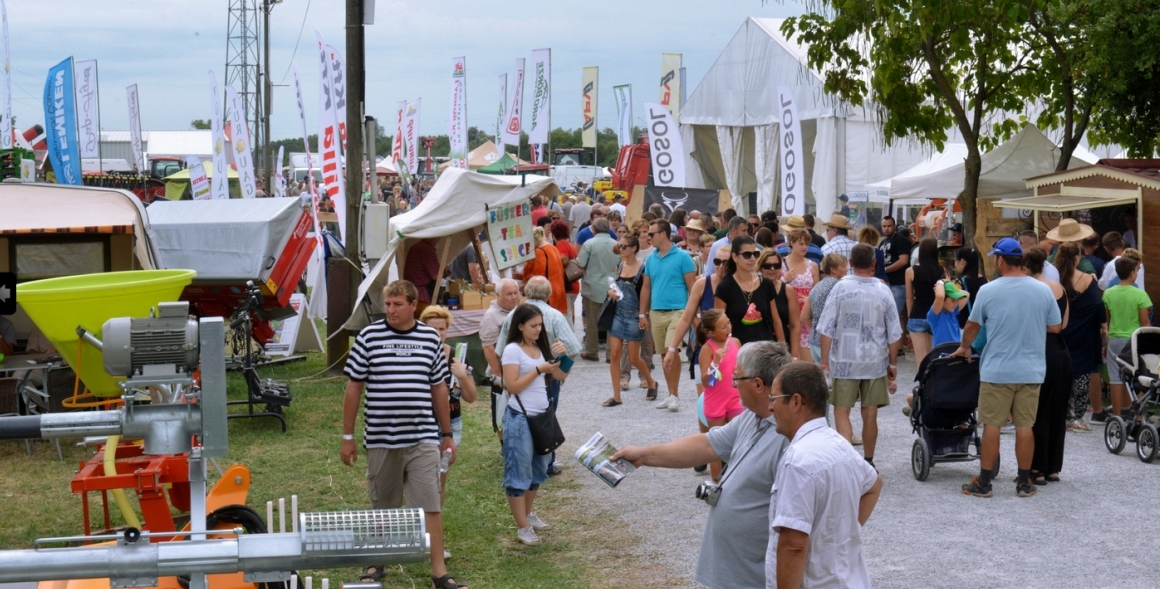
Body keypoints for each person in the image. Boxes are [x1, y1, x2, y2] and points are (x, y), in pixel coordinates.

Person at [611, 342, 793, 589]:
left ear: (758, 384)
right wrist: (643, 455)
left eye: (736, 378)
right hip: (736, 573)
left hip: (758, 578)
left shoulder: (790, 437)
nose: (732, 384)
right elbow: (708, 445)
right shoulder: (753, 416)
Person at [340, 280, 467, 589]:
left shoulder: (429, 339)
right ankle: (375, 563)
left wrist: (446, 433)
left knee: (431, 504)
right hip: (382, 438)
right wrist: (348, 436)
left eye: (397, 304)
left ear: (413, 306)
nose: (391, 310)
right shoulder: (369, 336)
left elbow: (439, 386)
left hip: (423, 437)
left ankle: (439, 572)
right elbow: (354, 386)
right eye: (388, 304)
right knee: (382, 504)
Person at [953, 237, 1062, 499]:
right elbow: (1055, 327)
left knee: (992, 425)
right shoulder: (1043, 290)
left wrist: (964, 347)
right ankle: (1024, 482)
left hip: (998, 369)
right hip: (1032, 369)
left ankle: (985, 482)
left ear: (1001, 260)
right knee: (1025, 425)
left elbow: (972, 325)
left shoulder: (989, 290)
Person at [768, 362, 883, 589]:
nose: (770, 407)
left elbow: (793, 545)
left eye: (774, 398)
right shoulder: (839, 444)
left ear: (796, 402)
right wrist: (842, 534)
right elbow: (874, 484)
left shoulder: (798, 461)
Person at [817, 243, 902, 468]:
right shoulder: (883, 290)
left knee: (842, 410)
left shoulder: (840, 289)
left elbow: (826, 328)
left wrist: (824, 361)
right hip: (874, 360)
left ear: (851, 264)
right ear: (874, 263)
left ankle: (847, 462)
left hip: (844, 359)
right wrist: (892, 363)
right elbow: (894, 332)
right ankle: (869, 460)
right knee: (870, 412)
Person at [500, 304, 569, 546]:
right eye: (533, 326)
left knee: (539, 469)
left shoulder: (540, 347)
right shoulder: (512, 351)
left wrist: (563, 357)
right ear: (520, 326)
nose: (538, 329)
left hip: (542, 417)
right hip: (520, 418)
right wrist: (539, 369)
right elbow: (512, 386)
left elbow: (560, 377)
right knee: (518, 472)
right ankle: (522, 527)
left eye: (540, 325)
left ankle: (527, 514)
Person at [419, 305, 479, 521]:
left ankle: (433, 527)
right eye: (432, 329)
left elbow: (471, 397)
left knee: (440, 477)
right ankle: (421, 526)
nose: (437, 333)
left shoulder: (457, 356)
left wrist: (462, 375)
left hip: (451, 425)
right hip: (422, 424)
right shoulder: (417, 357)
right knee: (423, 479)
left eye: (442, 329)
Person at [1025, 247, 1072, 486]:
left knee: (1038, 411)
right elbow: (1063, 323)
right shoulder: (1060, 288)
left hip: (1040, 350)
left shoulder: (1031, 290)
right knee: (1057, 411)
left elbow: (1049, 325)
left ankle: (1037, 467)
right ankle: (1053, 467)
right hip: (1062, 353)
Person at [640, 219, 697, 411]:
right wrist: (643, 314)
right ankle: (672, 394)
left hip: (678, 311)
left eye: (651, 234)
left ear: (663, 234)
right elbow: (646, 288)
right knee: (665, 353)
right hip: (656, 311)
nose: (648, 237)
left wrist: (694, 314)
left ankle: (674, 395)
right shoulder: (650, 258)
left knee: (671, 350)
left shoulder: (683, 257)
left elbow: (692, 288)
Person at [604, 233, 658, 406]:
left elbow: (645, 294)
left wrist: (643, 315)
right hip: (618, 314)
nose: (620, 249)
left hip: (634, 315)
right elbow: (614, 288)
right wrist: (610, 292)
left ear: (634, 248)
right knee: (614, 355)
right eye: (619, 246)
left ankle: (650, 381)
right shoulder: (619, 267)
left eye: (623, 246)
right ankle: (616, 395)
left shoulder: (643, 269)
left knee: (634, 358)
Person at [696, 309, 744, 480]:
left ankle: (737, 478)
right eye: (723, 327)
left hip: (735, 398)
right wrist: (715, 362)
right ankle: (717, 483)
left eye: (728, 323)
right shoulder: (707, 350)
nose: (728, 328)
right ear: (711, 332)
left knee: (739, 438)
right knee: (716, 445)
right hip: (716, 401)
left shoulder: (735, 342)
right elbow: (706, 381)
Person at [1103, 256, 1153, 418]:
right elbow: (1145, 322)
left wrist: (1106, 341)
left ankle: (1117, 415)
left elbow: (1107, 320)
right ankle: (1136, 412)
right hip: (1134, 339)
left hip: (1115, 338)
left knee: (1115, 377)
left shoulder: (1108, 294)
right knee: (1138, 376)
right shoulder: (1140, 294)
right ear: (1132, 273)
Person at [714, 236, 786, 345]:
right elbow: (718, 324)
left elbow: (776, 321)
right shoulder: (725, 287)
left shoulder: (766, 284)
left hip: (765, 348)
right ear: (735, 257)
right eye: (747, 255)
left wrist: (782, 349)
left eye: (755, 254)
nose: (752, 258)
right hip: (738, 350)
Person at [479, 279, 521, 436]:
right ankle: (504, 445)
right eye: (509, 294)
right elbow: (488, 347)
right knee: (501, 409)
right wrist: (499, 374)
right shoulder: (491, 316)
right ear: (497, 295)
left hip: (517, 370)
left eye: (516, 293)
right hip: (501, 373)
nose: (514, 297)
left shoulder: (518, 311)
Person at [577, 217, 620, 361]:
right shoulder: (617, 244)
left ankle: (592, 351)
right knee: (612, 322)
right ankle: (610, 354)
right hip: (613, 287)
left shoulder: (589, 244)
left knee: (592, 322)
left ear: (593, 229)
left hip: (592, 287)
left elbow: (581, 264)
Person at [905, 237, 949, 366]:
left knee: (920, 358)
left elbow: (909, 298)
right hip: (937, 315)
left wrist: (909, 316)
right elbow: (946, 296)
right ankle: (932, 385)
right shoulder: (943, 271)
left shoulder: (910, 271)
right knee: (934, 356)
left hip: (917, 314)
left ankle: (922, 385)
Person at [800, 253, 847, 363]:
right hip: (829, 344)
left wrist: (817, 327)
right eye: (844, 266)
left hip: (814, 342)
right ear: (833, 270)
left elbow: (804, 317)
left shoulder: (817, 286)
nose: (847, 269)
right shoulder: (839, 286)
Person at [757, 247, 801, 359]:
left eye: (777, 266)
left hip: (782, 345)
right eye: (767, 266)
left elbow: (794, 325)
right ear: (760, 267)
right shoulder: (753, 288)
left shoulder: (787, 290)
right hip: (759, 345)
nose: (772, 269)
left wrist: (794, 355)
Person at [782, 229, 820, 354]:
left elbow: (817, 291)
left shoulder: (812, 265)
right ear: (792, 243)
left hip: (806, 315)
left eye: (807, 244)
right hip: (789, 314)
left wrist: (810, 299)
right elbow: (774, 289)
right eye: (801, 243)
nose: (805, 247)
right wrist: (784, 279)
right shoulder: (782, 263)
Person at [522, 227, 569, 316]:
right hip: (557, 290)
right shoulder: (552, 248)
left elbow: (536, 277)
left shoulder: (538, 252)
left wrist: (522, 278)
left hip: (544, 295)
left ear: (534, 239)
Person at [879, 215, 911, 331]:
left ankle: (894, 347)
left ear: (895, 226)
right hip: (886, 283)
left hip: (898, 283)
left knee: (893, 317)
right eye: (884, 226)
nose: (886, 229)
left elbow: (903, 261)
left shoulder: (901, 240)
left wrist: (885, 270)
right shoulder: (882, 242)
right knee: (894, 317)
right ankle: (898, 347)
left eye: (889, 226)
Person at [549, 220, 580, 322]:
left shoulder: (561, 245)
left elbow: (564, 259)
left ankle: (569, 337)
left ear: (553, 234)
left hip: (566, 286)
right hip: (573, 284)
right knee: (568, 314)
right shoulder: (568, 244)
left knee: (565, 317)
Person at [403, 238, 442, 315]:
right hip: (422, 297)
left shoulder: (416, 246)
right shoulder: (426, 249)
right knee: (426, 321)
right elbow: (436, 276)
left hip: (412, 293)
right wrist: (443, 272)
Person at [954, 247, 987, 329]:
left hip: (963, 325)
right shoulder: (986, 281)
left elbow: (953, 305)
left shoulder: (958, 283)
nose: (955, 264)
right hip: (980, 325)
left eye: (956, 260)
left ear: (962, 261)